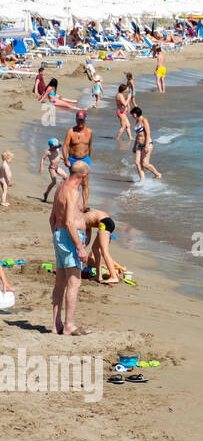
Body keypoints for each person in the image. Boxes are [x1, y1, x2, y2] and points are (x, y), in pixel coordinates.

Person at [49, 162, 91, 335]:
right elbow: (69, 221)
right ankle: (69, 325)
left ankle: (56, 325)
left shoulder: (60, 188)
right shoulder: (73, 192)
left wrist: (58, 237)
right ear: (83, 176)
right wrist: (80, 247)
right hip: (69, 237)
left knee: (60, 283)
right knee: (74, 283)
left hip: (60, 235)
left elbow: (52, 219)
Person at [82, 209, 123, 284]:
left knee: (104, 252)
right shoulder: (85, 218)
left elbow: (85, 238)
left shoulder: (80, 220)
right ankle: (98, 276)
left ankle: (114, 277)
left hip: (104, 223)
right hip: (106, 222)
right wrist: (83, 247)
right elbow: (87, 238)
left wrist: (81, 247)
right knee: (95, 249)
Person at [63, 110, 93, 209]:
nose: (80, 123)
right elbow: (65, 146)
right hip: (73, 159)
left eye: (82, 120)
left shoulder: (89, 132)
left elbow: (90, 146)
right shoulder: (71, 132)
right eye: (78, 120)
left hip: (85, 159)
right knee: (74, 183)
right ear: (76, 120)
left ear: (85, 120)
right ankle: (72, 202)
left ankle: (85, 205)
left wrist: (89, 160)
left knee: (85, 183)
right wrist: (66, 159)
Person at [130, 107, 162, 180]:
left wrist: (146, 146)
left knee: (145, 164)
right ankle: (142, 180)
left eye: (132, 114)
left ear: (136, 113)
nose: (132, 116)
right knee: (137, 163)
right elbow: (138, 135)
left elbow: (148, 134)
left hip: (147, 144)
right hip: (139, 145)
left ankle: (158, 174)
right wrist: (134, 146)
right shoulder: (137, 121)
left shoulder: (144, 120)